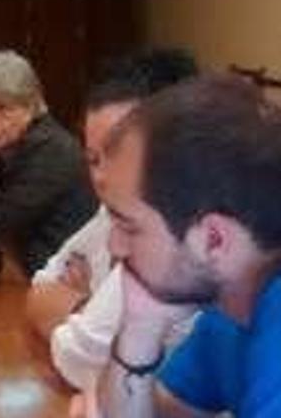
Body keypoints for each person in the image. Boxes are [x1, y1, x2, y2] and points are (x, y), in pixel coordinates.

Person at [89, 77, 281, 417]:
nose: (114, 245)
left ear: (213, 240)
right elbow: (164, 411)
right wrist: (139, 329)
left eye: (128, 227)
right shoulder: (231, 305)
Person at [26, 50, 198, 389]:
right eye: (93, 158)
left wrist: (78, 312)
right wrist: (87, 308)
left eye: (119, 154)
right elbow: (40, 288)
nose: (102, 176)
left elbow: (80, 359)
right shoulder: (116, 212)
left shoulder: (178, 232)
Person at [0, 50, 96, 276]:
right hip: (17, 269)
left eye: (3, 108)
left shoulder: (53, 151)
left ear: (31, 106)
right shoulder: (7, 143)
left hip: (58, 283)